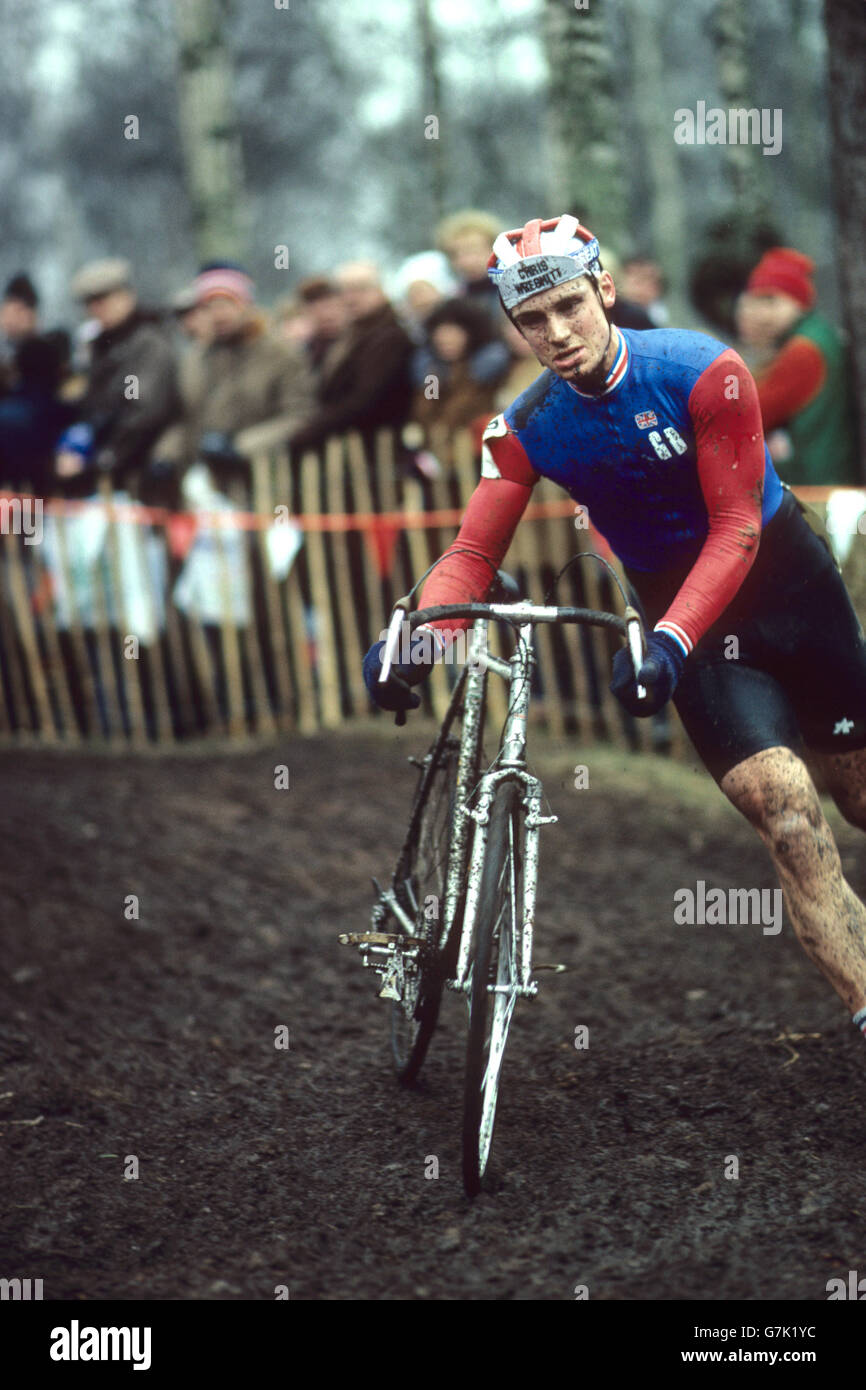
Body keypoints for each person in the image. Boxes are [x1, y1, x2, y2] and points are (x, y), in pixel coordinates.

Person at [363, 212, 866, 1043]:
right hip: (695, 635)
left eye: (569, 307)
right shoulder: (525, 428)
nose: (556, 334)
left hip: (786, 592)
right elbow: (473, 552)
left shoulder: (705, 370)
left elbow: (737, 523)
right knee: (786, 815)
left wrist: (666, 639)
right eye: (532, 320)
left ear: (604, 289)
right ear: (514, 325)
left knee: (857, 797)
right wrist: (418, 641)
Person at [152, 260, 313, 490]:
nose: (219, 315)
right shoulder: (195, 359)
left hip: (266, 482)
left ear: (246, 305)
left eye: (227, 304)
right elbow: (184, 417)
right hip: (206, 484)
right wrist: (166, 455)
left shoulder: (281, 355)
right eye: (209, 307)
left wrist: (240, 446)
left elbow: (299, 415)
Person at [56, 258, 179, 500]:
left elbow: (144, 412)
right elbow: (92, 406)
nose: (96, 309)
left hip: (143, 469)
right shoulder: (102, 346)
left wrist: (104, 459)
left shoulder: (148, 344)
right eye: (90, 302)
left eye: (103, 299)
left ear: (127, 296)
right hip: (110, 472)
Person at [736, 246, 858, 486]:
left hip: (818, 488)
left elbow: (749, 412)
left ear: (799, 301)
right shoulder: (815, 335)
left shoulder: (803, 350)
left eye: (771, 300)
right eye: (756, 301)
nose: (761, 313)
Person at [289, 261, 413, 455]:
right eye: (344, 291)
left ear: (380, 290)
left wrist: (310, 431)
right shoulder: (354, 333)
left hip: (377, 443)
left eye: (360, 289)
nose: (351, 298)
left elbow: (364, 400)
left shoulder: (390, 336)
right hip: (351, 441)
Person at [409, 297, 510, 435]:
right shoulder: (432, 370)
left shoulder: (487, 367)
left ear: (471, 333)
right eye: (441, 332)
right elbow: (427, 411)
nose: (445, 339)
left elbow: (464, 412)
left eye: (453, 332)